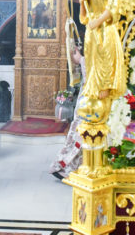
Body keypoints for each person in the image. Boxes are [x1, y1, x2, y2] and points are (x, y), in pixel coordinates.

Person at [78, 0, 126, 103]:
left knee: (105, 59)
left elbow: (113, 9)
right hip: (91, 32)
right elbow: (84, 18)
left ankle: (104, 90)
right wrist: (82, 3)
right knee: (92, 61)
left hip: (105, 31)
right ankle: (93, 89)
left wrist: (98, 21)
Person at [50, 45, 86, 179]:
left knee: (82, 133)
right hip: (88, 96)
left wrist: (81, 60)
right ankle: (66, 165)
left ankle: (70, 166)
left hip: (94, 100)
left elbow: (98, 72)